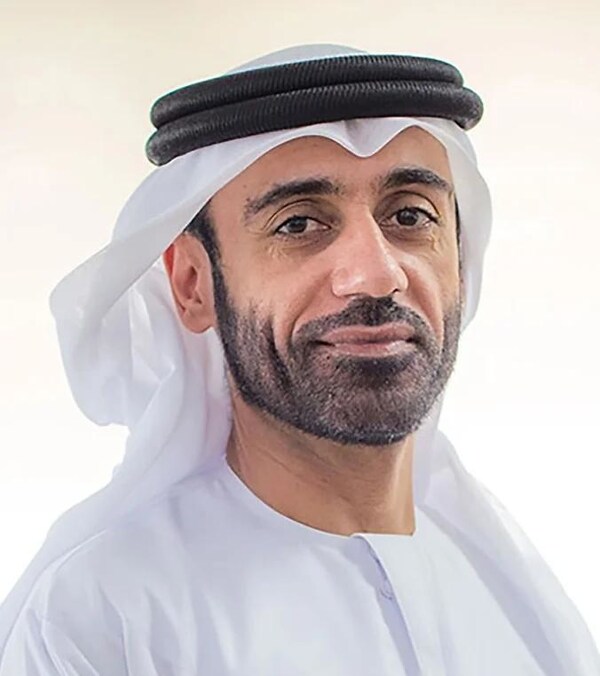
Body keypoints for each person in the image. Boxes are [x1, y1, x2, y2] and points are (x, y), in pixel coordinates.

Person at [0, 44, 598, 675]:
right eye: (299, 224)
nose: (376, 275)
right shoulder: (102, 621)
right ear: (193, 285)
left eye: (409, 216)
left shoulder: (516, 604)